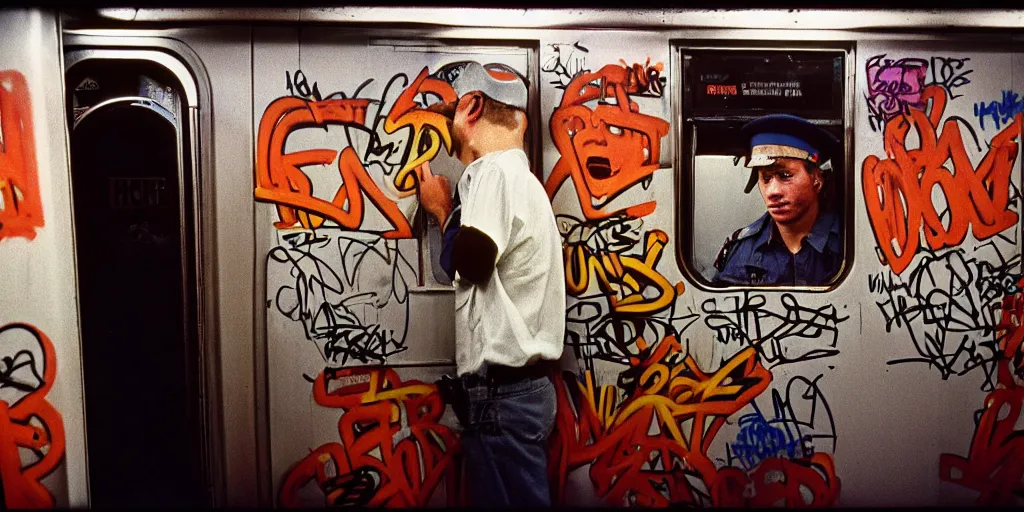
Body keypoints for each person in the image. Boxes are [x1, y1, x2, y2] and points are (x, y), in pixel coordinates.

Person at [415, 60, 565, 507]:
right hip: (513, 393)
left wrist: (443, 211)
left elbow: (471, 263)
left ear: (473, 106)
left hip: (505, 394)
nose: (448, 130)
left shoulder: (495, 174)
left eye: (450, 115)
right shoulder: (518, 178)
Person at [712, 114, 843, 286]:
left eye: (785, 175)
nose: (773, 192)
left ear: (817, 179)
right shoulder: (741, 250)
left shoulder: (848, 244)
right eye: (765, 178)